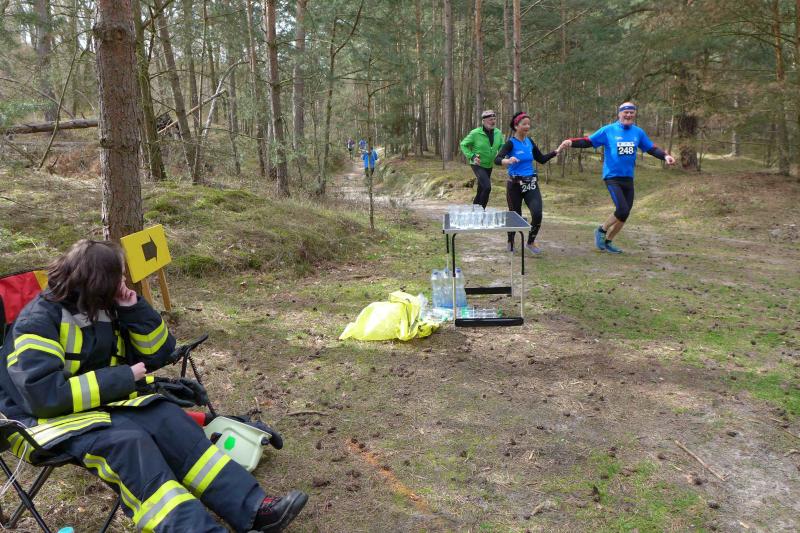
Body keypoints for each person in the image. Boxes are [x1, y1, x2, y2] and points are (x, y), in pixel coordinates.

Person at [0, 240, 307, 532]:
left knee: (169, 419)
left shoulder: (102, 305)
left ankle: (254, 509)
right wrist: (123, 378)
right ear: (99, 283)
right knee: (129, 443)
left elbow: (159, 354)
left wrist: (134, 309)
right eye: (119, 276)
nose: (124, 281)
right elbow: (43, 396)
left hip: (97, 405)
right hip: (39, 421)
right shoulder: (37, 320)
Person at [558, 102, 676, 254]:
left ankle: (608, 241)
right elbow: (588, 141)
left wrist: (665, 156)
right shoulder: (608, 130)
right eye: (626, 112)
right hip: (612, 177)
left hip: (628, 178)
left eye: (631, 112)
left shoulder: (638, 132)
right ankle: (601, 230)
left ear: (634, 114)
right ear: (619, 114)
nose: (628, 115)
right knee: (622, 209)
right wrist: (571, 142)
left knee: (625, 214)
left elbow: (651, 149)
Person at [495, 112, 559, 255]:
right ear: (516, 126)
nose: (527, 126)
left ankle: (530, 241)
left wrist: (555, 152)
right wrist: (508, 160)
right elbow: (497, 159)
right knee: (515, 216)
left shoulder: (529, 142)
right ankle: (511, 241)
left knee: (537, 213)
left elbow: (541, 159)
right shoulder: (511, 143)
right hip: (514, 185)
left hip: (531, 183)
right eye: (524, 124)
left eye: (529, 124)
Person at [459, 110, 504, 208]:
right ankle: (481, 212)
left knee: (481, 190)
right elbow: (463, 144)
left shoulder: (498, 133)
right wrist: (472, 156)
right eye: (490, 119)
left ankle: (474, 211)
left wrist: (501, 155)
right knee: (487, 187)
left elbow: (502, 145)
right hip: (477, 164)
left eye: (494, 119)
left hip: (489, 165)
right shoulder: (475, 133)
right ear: (483, 121)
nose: (493, 122)